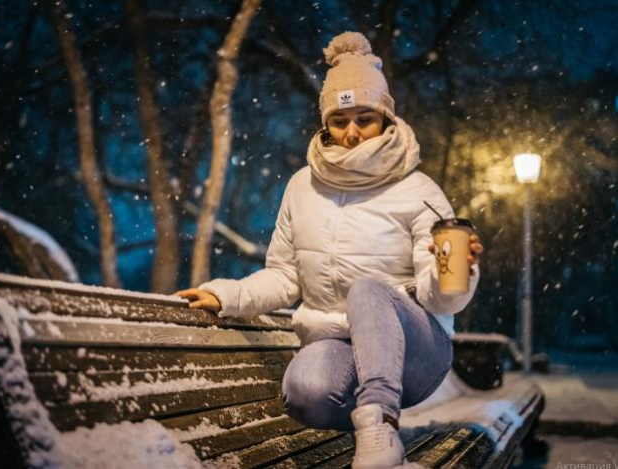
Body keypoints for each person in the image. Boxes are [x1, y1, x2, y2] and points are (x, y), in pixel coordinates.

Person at [176, 31, 484, 469]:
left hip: (417, 349)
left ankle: (382, 429)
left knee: (368, 291)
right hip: (338, 340)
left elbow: (438, 298)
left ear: (385, 119)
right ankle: (369, 425)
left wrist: (457, 270)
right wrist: (227, 295)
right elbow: (284, 277)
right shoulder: (302, 187)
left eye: (364, 118)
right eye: (340, 121)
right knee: (305, 392)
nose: (353, 132)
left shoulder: (418, 191)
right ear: (325, 123)